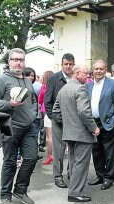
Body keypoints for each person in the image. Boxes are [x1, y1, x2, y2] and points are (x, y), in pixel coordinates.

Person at [0, 48, 38, 204]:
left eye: (21, 60)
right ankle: (5, 195)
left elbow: (32, 100)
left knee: (31, 158)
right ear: (9, 62)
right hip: (10, 126)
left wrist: (34, 114)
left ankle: (20, 190)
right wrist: (9, 104)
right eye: (15, 59)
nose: (18, 62)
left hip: (28, 127)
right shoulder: (3, 80)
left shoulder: (27, 80)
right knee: (9, 162)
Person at [52, 64, 99, 202]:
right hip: (82, 134)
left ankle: (74, 189)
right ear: (77, 73)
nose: (88, 76)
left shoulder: (64, 89)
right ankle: (75, 192)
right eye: (86, 73)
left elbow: (55, 112)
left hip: (69, 132)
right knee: (81, 163)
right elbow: (84, 111)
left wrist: (68, 122)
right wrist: (93, 128)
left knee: (73, 162)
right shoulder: (81, 88)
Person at [86, 59, 114, 190]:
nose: (98, 71)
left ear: (105, 69)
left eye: (101, 69)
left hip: (108, 123)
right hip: (93, 123)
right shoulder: (88, 86)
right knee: (96, 151)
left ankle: (109, 178)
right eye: (96, 69)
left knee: (109, 152)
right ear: (93, 70)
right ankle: (100, 175)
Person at [44, 53, 75, 188]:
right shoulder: (54, 79)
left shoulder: (76, 78)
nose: (68, 66)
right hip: (59, 121)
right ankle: (58, 176)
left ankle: (72, 174)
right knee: (59, 150)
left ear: (73, 64)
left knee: (73, 149)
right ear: (62, 65)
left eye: (70, 64)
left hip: (74, 121)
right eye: (66, 64)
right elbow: (47, 101)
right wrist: (54, 117)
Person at [39, 70, 54, 165]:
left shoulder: (44, 87)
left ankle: (50, 156)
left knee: (49, 137)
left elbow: (40, 99)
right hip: (57, 112)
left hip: (47, 113)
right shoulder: (57, 86)